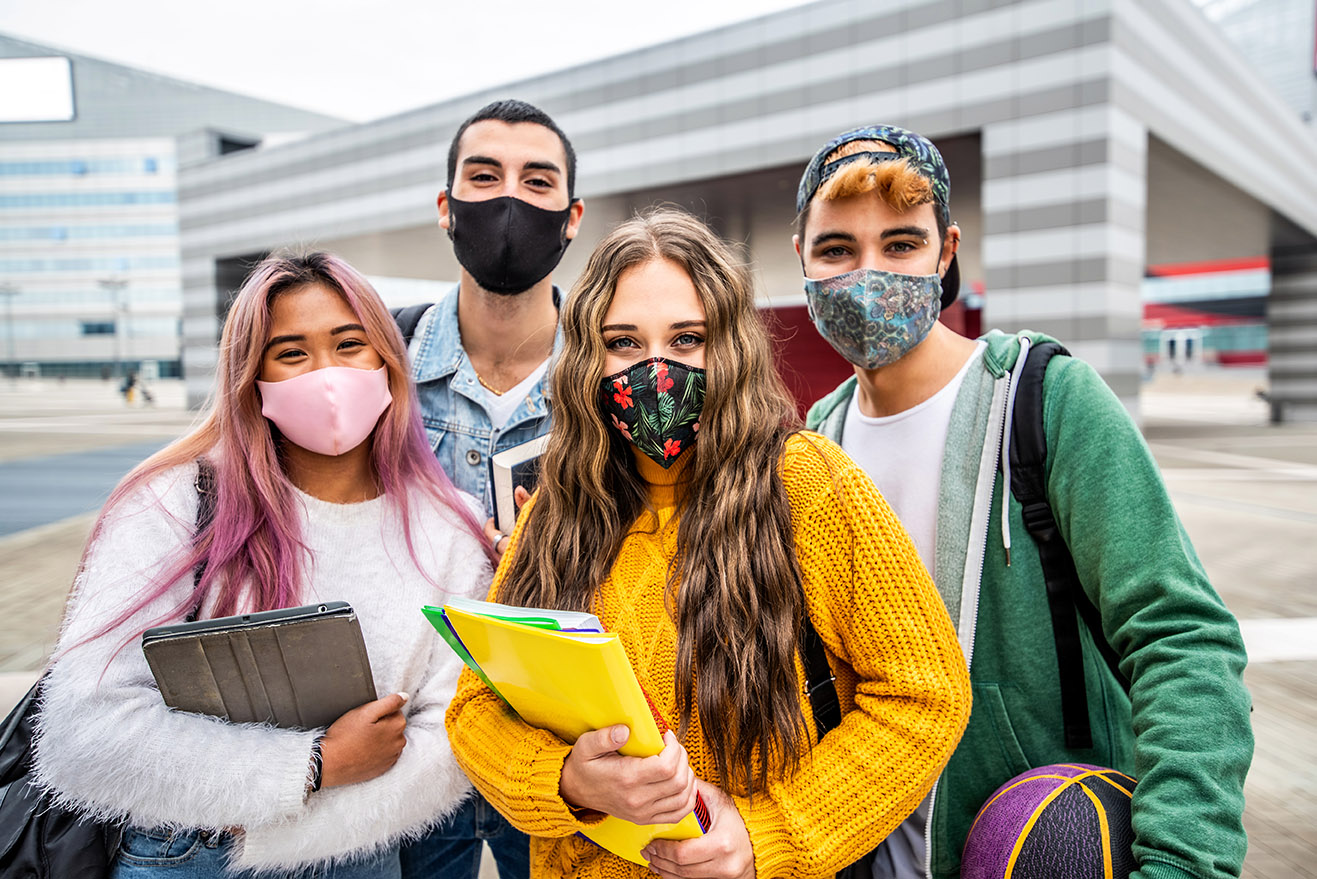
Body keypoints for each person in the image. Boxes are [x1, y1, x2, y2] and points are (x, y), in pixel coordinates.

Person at [445, 208, 972, 879]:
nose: (655, 370)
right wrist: (568, 780)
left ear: (727, 347)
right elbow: (473, 712)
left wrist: (765, 835)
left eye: (687, 338)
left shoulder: (805, 483)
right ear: (586, 356)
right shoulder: (554, 508)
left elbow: (925, 694)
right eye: (624, 343)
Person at [797, 124, 1253, 879]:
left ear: (945, 252)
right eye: (837, 250)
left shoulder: (1044, 400)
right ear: (802, 261)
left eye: (900, 245)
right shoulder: (818, 442)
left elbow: (1181, 640)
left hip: (1038, 847)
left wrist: (1182, 859)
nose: (868, 274)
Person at [33, 252, 496, 878]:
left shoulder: (451, 527)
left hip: (362, 857)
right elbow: (85, 732)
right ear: (253, 377)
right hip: (183, 855)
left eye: (350, 343)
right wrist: (313, 765)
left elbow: (449, 738)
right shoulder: (178, 500)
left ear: (389, 361)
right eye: (292, 353)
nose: (327, 373)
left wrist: (294, 828)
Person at [399, 97, 583, 879]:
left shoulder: (613, 380)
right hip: (400, 753)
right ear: (447, 207)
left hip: (562, 753)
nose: (510, 199)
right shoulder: (380, 367)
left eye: (537, 181)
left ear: (571, 217)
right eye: (485, 176)